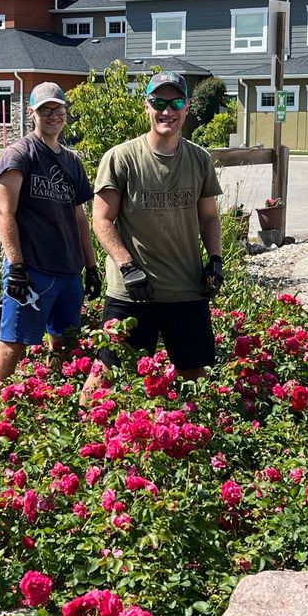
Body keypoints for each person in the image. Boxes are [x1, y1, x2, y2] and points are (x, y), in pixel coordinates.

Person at [85, 71, 223, 393]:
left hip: (186, 289)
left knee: (194, 376)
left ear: (187, 108)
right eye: (158, 102)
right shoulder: (121, 158)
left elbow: (209, 218)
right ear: (147, 107)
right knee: (105, 374)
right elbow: (101, 220)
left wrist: (215, 260)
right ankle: (83, 435)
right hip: (133, 291)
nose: (167, 111)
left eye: (175, 102)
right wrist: (127, 265)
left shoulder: (199, 159)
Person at [0, 82, 102, 381]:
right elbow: (4, 211)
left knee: (66, 345)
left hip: (68, 270)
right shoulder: (19, 154)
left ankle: (52, 399)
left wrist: (91, 267)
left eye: (58, 109)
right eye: (45, 110)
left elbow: (80, 218)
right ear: (32, 114)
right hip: (32, 270)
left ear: (66, 112)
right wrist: (16, 266)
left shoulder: (72, 161)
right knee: (13, 343)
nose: (53, 115)